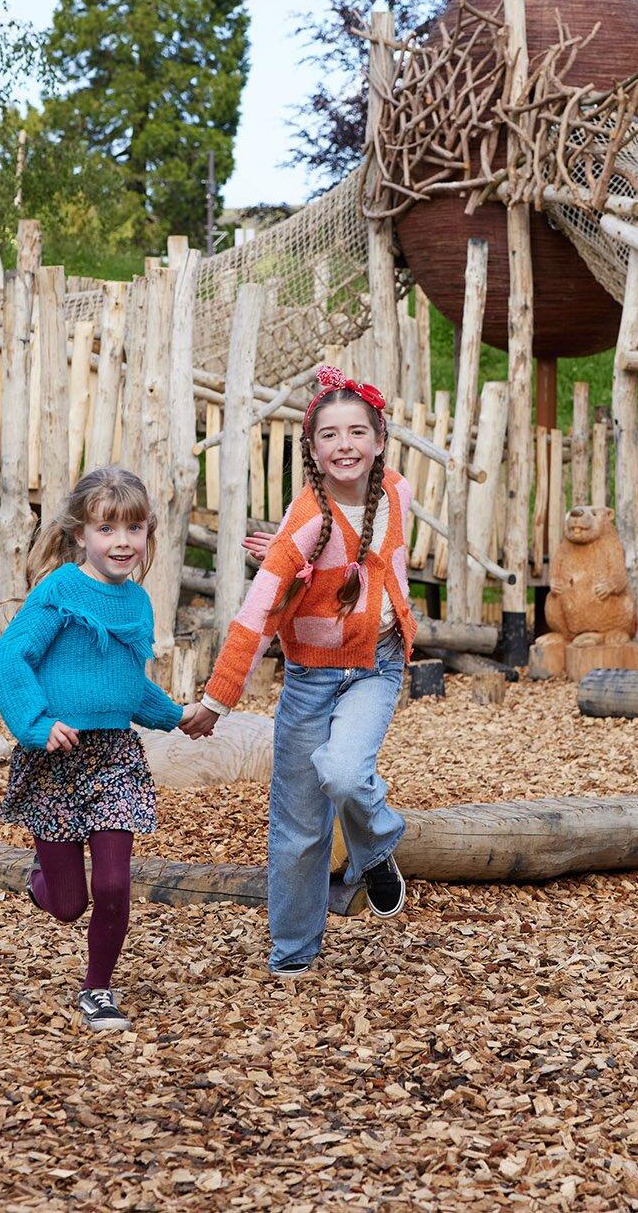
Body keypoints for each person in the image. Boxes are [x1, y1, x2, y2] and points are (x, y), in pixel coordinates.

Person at [179, 367, 413, 977]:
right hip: (310, 679)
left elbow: (381, 567)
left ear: (379, 439)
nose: (345, 445)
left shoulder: (397, 494)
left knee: (342, 771)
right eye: (329, 435)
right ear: (311, 450)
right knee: (299, 829)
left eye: (357, 432)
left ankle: (377, 844)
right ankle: (293, 956)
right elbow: (257, 614)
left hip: (375, 667)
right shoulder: (306, 521)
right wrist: (218, 698)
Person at [0, 466, 191, 1031]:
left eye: (134, 529)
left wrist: (177, 716)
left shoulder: (139, 603)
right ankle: (42, 880)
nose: (121, 542)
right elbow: (8, 658)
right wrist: (35, 722)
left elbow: (126, 685)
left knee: (112, 883)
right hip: (55, 756)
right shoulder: (59, 592)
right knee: (69, 904)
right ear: (81, 535)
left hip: (114, 759)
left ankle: (97, 988)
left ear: (149, 533)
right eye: (107, 529)